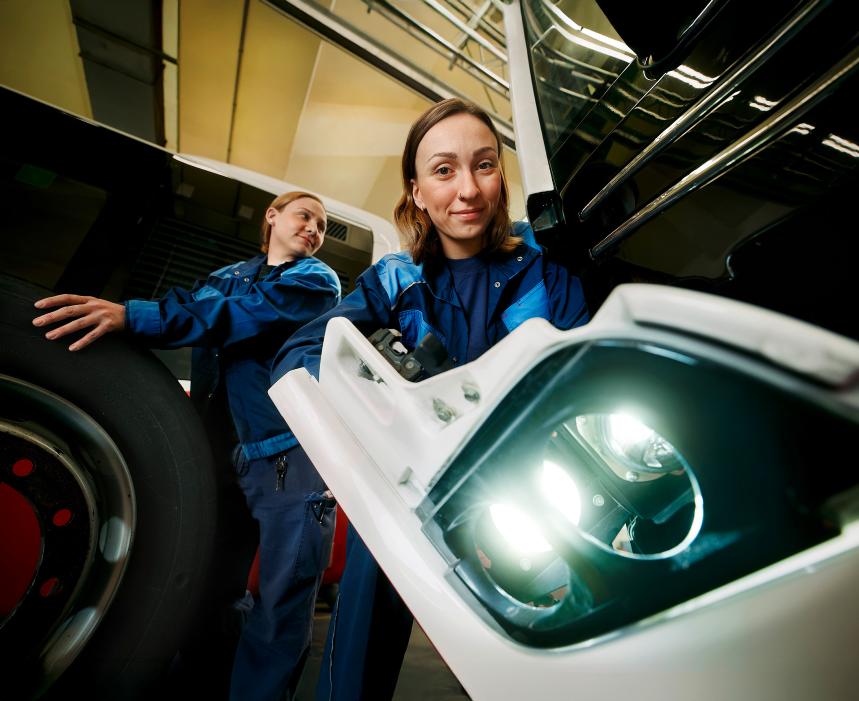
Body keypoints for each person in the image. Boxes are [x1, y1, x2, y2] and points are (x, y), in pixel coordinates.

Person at [270, 98, 590, 701]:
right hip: (414, 493)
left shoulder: (547, 273)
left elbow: (584, 369)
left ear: (501, 175)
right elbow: (303, 353)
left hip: (532, 493)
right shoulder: (395, 279)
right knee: (359, 652)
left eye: (485, 165)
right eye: (444, 171)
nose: (468, 189)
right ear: (416, 191)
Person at [32, 190, 342, 701]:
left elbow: (237, 314)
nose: (314, 229)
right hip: (219, 458)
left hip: (286, 459)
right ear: (273, 216)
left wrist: (136, 316)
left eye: (323, 226)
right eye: (305, 216)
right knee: (209, 591)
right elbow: (195, 309)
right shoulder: (223, 279)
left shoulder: (314, 281)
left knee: (282, 603)